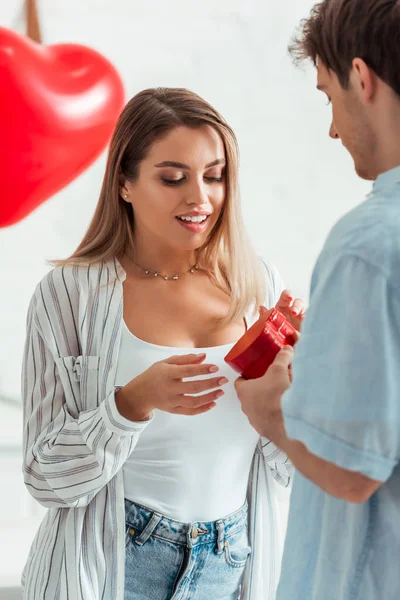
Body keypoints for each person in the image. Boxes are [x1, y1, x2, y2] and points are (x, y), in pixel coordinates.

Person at [21, 87, 304, 600]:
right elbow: (44, 478)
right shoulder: (70, 296)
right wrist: (131, 403)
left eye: (214, 176)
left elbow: (284, 470)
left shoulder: (255, 283)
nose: (199, 197)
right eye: (173, 178)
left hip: (230, 563)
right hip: (116, 565)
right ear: (124, 183)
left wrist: (291, 395)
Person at [235, 1, 400, 599]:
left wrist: (270, 410)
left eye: (328, 96)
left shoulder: (368, 245)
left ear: (362, 78)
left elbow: (354, 472)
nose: (332, 128)